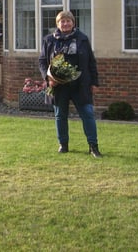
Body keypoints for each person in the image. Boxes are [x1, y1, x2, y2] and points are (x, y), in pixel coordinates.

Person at [39, 10, 102, 158]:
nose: (65, 23)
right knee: (60, 115)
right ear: (57, 24)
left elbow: (91, 62)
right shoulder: (49, 40)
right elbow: (42, 61)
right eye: (62, 21)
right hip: (59, 86)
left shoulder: (82, 39)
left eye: (68, 21)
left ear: (73, 23)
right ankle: (63, 145)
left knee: (87, 114)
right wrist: (48, 78)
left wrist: (94, 82)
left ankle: (93, 146)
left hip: (80, 85)